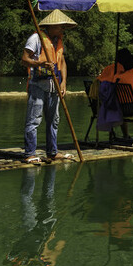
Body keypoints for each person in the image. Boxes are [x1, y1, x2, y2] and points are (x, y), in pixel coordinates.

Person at [21, 9, 76, 163]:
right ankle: (29, 154)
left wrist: (64, 81)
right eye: (60, 26)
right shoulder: (36, 39)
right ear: (51, 26)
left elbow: (62, 62)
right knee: (34, 120)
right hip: (38, 85)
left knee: (54, 120)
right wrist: (40, 63)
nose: (62, 30)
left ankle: (52, 152)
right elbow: (24, 59)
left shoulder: (58, 41)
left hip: (55, 86)